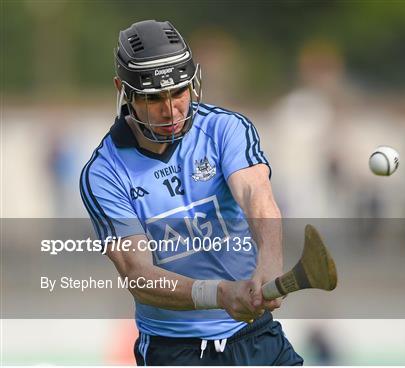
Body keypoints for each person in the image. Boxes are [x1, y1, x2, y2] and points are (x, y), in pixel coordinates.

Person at [79, 19, 303, 365]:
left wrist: (269, 266)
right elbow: (139, 276)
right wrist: (220, 294)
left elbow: (256, 197)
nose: (170, 110)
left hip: (255, 336)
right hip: (174, 350)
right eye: (154, 98)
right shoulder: (104, 172)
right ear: (123, 90)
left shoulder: (225, 128)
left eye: (179, 92)